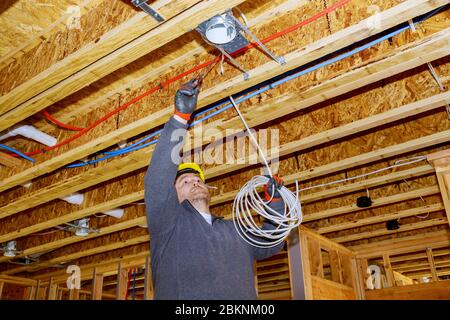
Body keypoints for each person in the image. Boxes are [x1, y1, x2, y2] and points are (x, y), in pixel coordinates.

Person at [144, 79, 285, 300]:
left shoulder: (235, 231)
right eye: (185, 182)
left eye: (197, 179)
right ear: (174, 195)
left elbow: (271, 242)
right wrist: (179, 120)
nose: (195, 182)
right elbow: (157, 181)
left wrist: (276, 204)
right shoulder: (168, 225)